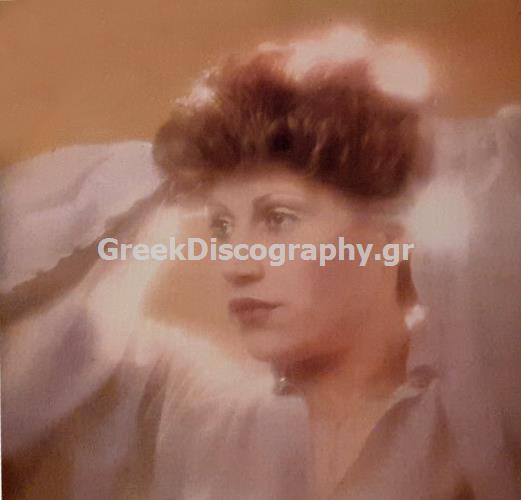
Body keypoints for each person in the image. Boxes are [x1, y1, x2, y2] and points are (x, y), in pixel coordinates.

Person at [152, 27, 475, 499]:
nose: (234, 265)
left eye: (278, 219)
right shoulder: (216, 424)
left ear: (392, 235)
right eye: (221, 227)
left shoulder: (481, 421)